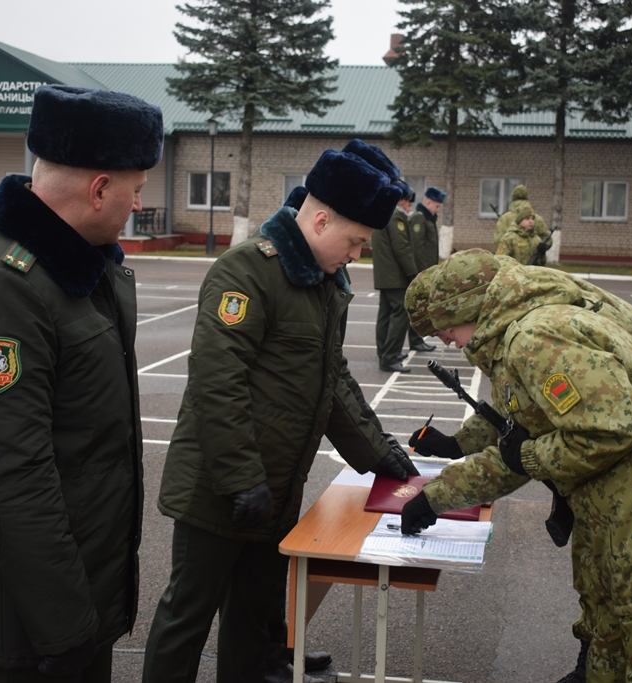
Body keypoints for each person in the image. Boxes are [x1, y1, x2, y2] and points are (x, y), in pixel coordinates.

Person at [401, 250, 632, 682]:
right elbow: (527, 420)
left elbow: (607, 430)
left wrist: (524, 460)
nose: (448, 341)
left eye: (446, 329)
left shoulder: (537, 336)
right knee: (611, 643)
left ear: (467, 308)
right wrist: (456, 461)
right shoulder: (527, 322)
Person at [143, 139, 419, 683]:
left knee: (258, 599)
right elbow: (217, 383)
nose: (358, 256)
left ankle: (255, 669)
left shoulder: (320, 283)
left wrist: (380, 453)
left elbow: (332, 382)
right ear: (319, 220)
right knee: (188, 614)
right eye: (356, 241)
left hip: (275, 480)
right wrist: (243, 479)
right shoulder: (247, 272)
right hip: (221, 483)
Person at [0, 85, 165, 682]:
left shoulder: (81, 268)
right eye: (136, 190)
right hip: (27, 619)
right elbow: (12, 476)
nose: (138, 204)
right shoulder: (4, 289)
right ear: (99, 188)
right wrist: (64, 625)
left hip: (72, 595)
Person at [373, 187, 420, 373]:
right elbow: (402, 248)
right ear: (402, 201)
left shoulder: (384, 214)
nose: (409, 207)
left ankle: (384, 352)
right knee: (400, 314)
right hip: (395, 276)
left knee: (385, 314)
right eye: (408, 203)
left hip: (385, 275)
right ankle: (390, 357)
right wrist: (413, 274)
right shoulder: (396, 217)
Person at [405, 186, 442, 355]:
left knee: (423, 306)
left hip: (428, 269)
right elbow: (417, 246)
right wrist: (421, 272)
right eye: (436, 205)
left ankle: (417, 340)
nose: (438, 209)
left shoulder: (429, 218)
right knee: (419, 307)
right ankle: (415, 340)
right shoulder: (419, 218)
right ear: (427, 202)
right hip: (422, 270)